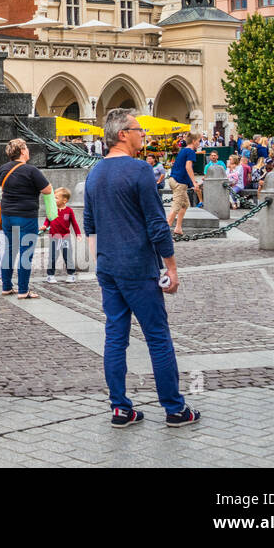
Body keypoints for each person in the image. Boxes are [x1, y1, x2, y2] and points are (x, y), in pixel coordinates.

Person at [84, 108, 199, 428]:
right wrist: (171, 267)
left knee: (115, 337)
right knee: (158, 337)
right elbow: (156, 225)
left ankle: (120, 408)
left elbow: (89, 225)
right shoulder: (139, 171)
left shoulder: (94, 172)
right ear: (122, 134)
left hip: (108, 266)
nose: (143, 134)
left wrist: (101, 262)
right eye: (138, 129)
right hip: (138, 266)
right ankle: (175, 408)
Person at [0, 137, 53, 298]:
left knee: (9, 251)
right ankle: (24, 290)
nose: (28, 151)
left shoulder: (4, 168)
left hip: (7, 216)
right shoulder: (31, 170)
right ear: (23, 151)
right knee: (26, 253)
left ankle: (6, 287)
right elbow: (47, 190)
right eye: (26, 148)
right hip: (26, 216)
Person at [42, 187, 82, 283]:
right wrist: (44, 226)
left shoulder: (69, 211)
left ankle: (71, 274)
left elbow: (74, 223)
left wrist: (78, 234)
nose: (53, 200)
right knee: (53, 256)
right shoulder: (52, 210)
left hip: (65, 237)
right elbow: (47, 220)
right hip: (53, 237)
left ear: (64, 200)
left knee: (67, 256)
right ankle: (50, 275)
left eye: (56, 198)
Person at [167, 132, 202, 239]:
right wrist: (194, 182)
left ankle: (178, 228)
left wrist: (190, 184)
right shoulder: (191, 151)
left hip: (174, 180)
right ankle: (165, 234)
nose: (199, 143)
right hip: (179, 183)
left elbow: (181, 167)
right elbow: (188, 167)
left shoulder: (183, 150)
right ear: (194, 141)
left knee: (184, 204)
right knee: (176, 207)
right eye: (199, 141)